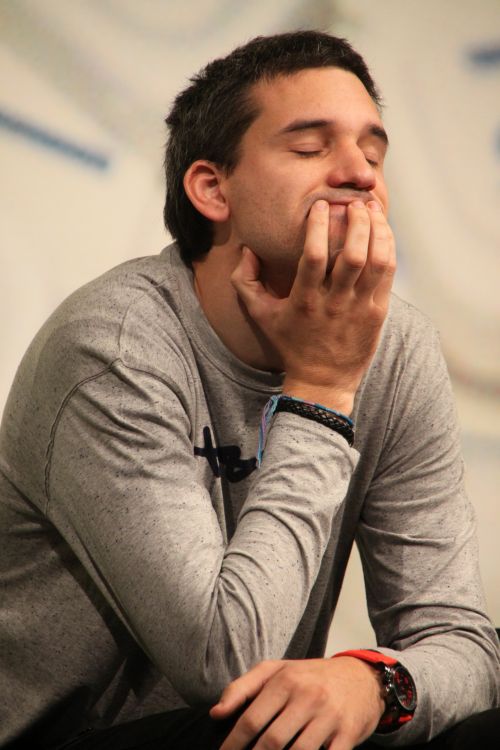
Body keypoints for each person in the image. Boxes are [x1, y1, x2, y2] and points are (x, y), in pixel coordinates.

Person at [0, 30, 498, 750]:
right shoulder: (114, 348)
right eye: (312, 147)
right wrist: (321, 388)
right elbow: (227, 661)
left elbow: (462, 643)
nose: (359, 174)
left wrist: (372, 683)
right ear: (212, 189)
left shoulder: (398, 348)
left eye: (373, 153)